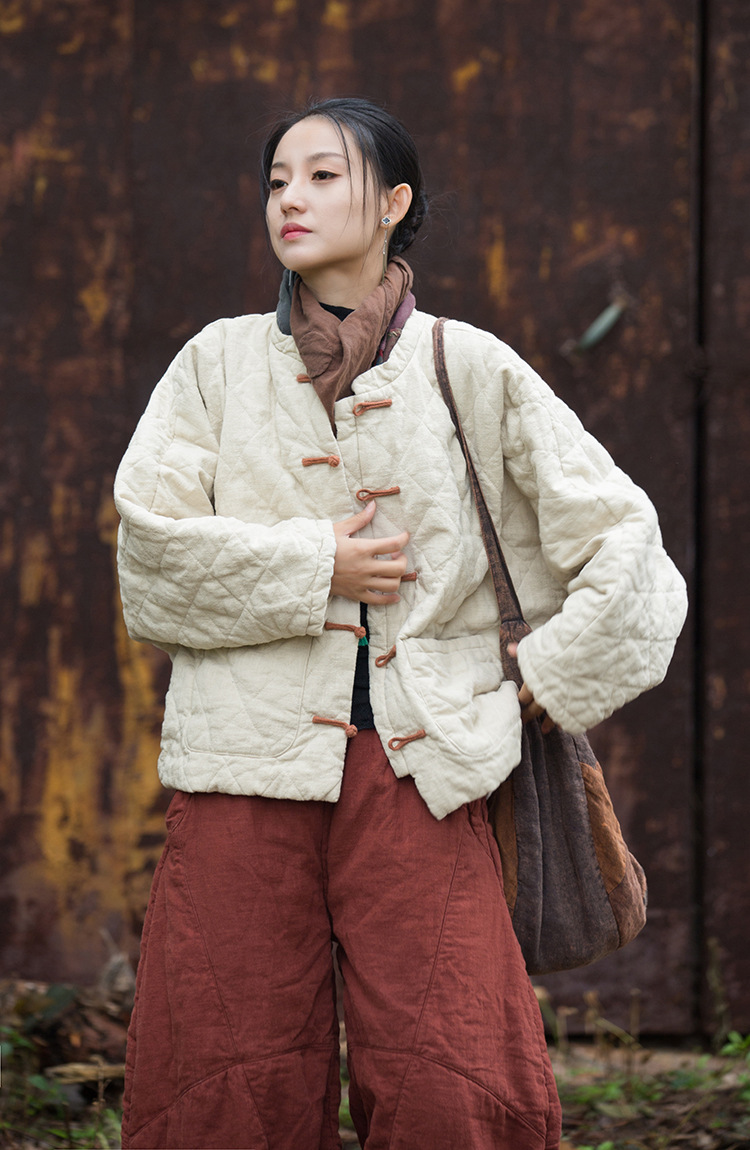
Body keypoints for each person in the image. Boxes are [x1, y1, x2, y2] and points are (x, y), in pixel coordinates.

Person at [114, 96, 687, 1150]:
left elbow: (629, 545)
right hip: (241, 766)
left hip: (427, 769)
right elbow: (150, 561)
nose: (289, 198)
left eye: (322, 175)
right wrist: (315, 565)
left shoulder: (470, 367)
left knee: (451, 1075)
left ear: (393, 202)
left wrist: (551, 674)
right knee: (221, 1073)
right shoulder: (215, 364)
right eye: (276, 180)